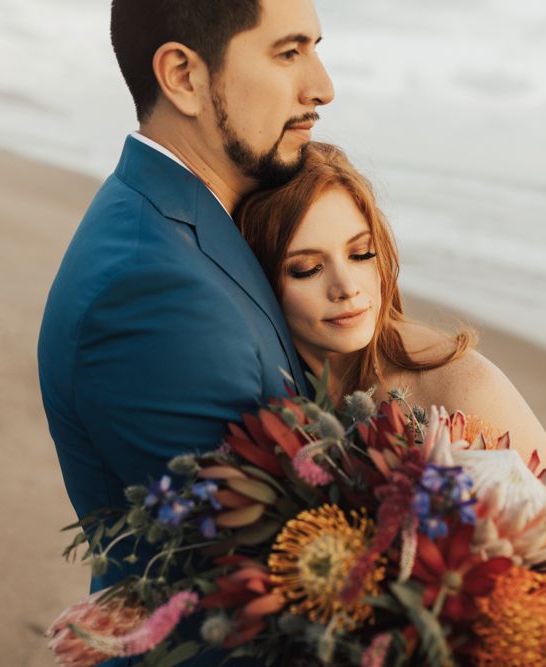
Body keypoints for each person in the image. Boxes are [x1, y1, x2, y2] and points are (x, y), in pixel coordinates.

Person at [38, 0, 333, 664]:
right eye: (288, 52)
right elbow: (254, 586)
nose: (322, 86)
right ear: (183, 77)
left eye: (315, 48)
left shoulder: (186, 222)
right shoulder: (150, 288)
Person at [236, 143, 546, 476]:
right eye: (307, 268)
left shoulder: (461, 385)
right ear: (259, 277)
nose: (347, 287)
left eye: (361, 254)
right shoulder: (269, 393)